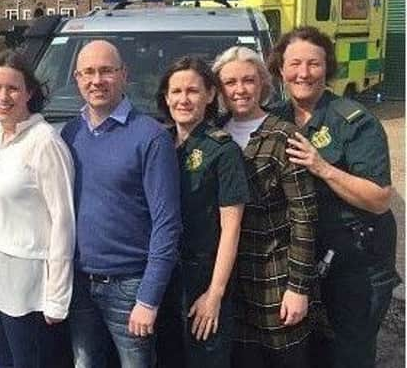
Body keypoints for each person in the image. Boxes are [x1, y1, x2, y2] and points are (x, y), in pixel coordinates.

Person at [268, 26, 401, 368]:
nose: (303, 73)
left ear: (327, 68)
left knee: (348, 355)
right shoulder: (276, 118)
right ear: (280, 69)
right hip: (302, 264)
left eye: (314, 63)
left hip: (354, 265)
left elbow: (380, 198)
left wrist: (321, 166)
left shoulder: (354, 122)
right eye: (294, 63)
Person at [61, 40, 182, 368]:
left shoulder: (150, 136)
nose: (96, 80)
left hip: (130, 285)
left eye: (106, 71)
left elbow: (167, 222)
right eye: (88, 72)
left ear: (123, 75)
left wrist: (149, 296)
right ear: (77, 78)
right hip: (81, 282)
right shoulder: (70, 134)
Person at [211, 46, 318, 368]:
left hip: (274, 277)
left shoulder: (284, 136)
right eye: (230, 82)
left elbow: (304, 216)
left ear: (262, 84)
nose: (240, 90)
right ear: (218, 89)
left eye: (248, 80)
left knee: (283, 358)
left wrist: (298, 288)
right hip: (229, 282)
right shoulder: (213, 134)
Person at [0, 50, 76, 368]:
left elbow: (63, 220)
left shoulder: (45, 142)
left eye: (12, 88)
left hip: (29, 290)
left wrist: (57, 297)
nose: (2, 96)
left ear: (30, 92)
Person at [155, 56, 249, 368]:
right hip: (163, 276)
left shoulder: (223, 150)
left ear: (210, 95)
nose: (183, 99)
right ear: (166, 96)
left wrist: (214, 294)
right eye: (176, 91)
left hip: (202, 278)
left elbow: (231, 229)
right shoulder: (159, 143)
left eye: (193, 91)